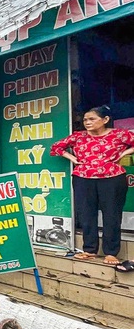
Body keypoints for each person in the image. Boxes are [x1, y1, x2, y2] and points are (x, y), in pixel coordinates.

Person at [50, 105, 134, 266]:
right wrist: (73, 159)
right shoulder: (78, 137)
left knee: (112, 214)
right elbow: (56, 147)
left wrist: (124, 153)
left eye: (92, 119)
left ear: (105, 120)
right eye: (85, 120)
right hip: (83, 178)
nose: (87, 122)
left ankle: (111, 252)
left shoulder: (119, 135)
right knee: (86, 214)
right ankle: (89, 250)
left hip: (112, 178)